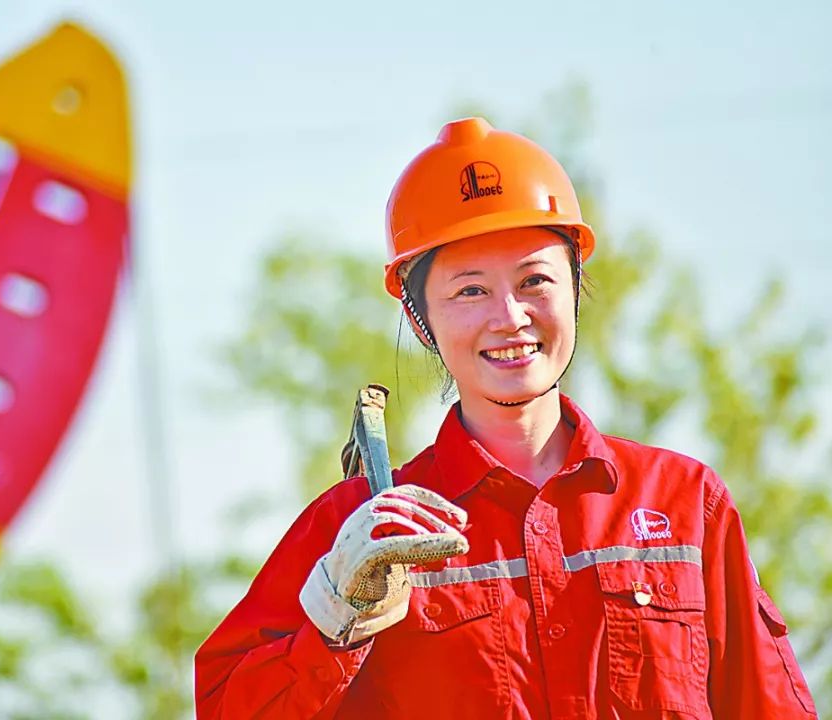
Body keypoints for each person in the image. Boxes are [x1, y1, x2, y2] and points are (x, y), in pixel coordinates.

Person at [194, 118, 818, 718]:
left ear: (575, 288)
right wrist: (335, 619)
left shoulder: (684, 505)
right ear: (420, 321)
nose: (510, 317)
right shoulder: (359, 530)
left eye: (535, 280)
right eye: (470, 290)